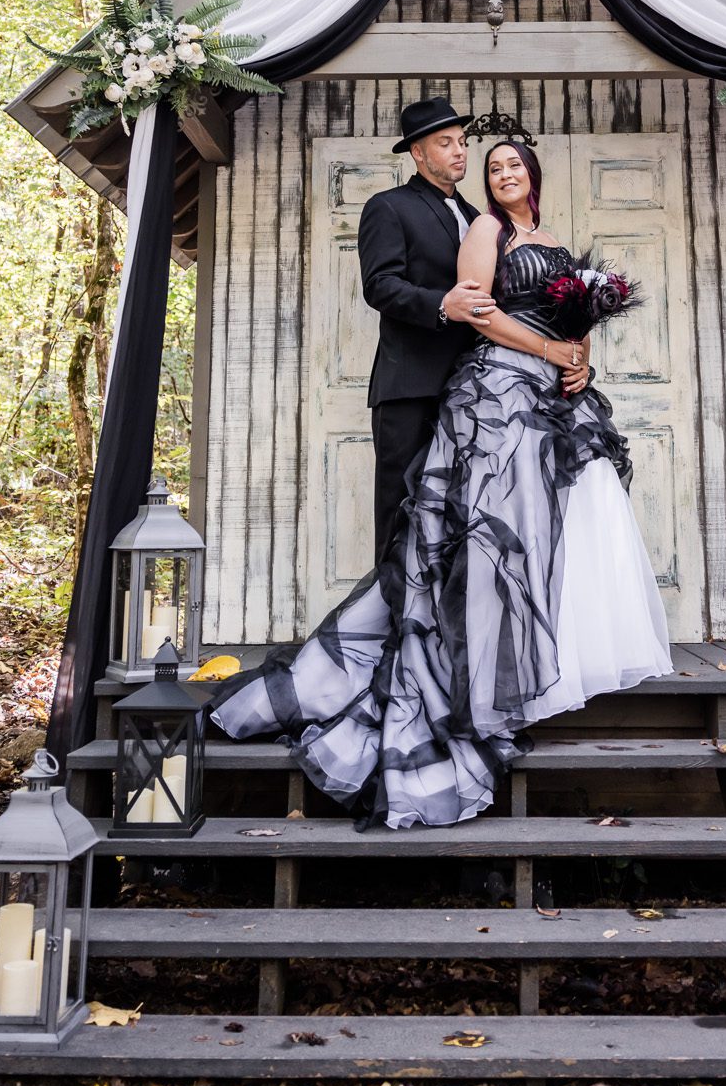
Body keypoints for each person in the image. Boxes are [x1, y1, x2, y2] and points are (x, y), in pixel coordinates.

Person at [213, 134, 673, 829]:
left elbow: (562, 320)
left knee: (558, 521)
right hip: (497, 393)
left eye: (514, 163)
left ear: (534, 173)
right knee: (492, 538)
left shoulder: (550, 238)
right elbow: (480, 309)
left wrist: (579, 358)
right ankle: (480, 683)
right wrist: (549, 349)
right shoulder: (484, 229)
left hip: (555, 393)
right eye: (493, 166)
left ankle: (558, 660)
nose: (504, 172)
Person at [355, 97, 488, 562]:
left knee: (459, 511)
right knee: (401, 510)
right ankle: (392, 627)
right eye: (445, 142)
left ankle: (444, 627)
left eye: (463, 142)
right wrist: (442, 305)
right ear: (418, 152)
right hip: (408, 388)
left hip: (470, 388)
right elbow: (380, 286)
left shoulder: (478, 218)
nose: (459, 151)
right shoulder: (387, 207)